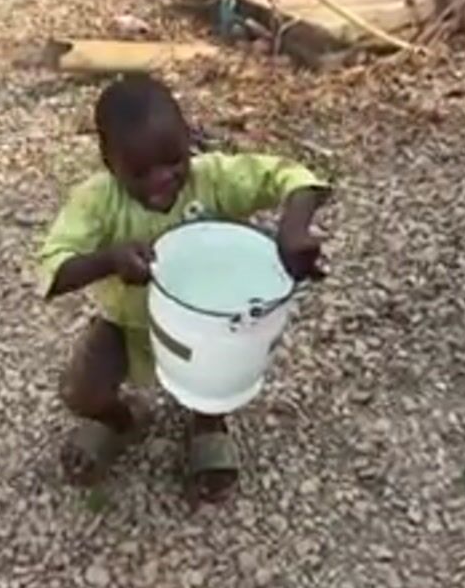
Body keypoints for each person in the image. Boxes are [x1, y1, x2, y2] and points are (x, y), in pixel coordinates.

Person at [38, 74, 330, 503]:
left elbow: (293, 176)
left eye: (175, 160)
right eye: (141, 172)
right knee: (80, 391)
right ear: (109, 162)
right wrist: (109, 260)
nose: (162, 179)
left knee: (218, 377)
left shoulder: (212, 179)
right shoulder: (96, 201)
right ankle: (121, 420)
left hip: (206, 328)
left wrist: (293, 230)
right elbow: (52, 267)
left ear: (189, 139)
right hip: (128, 323)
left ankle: (207, 424)